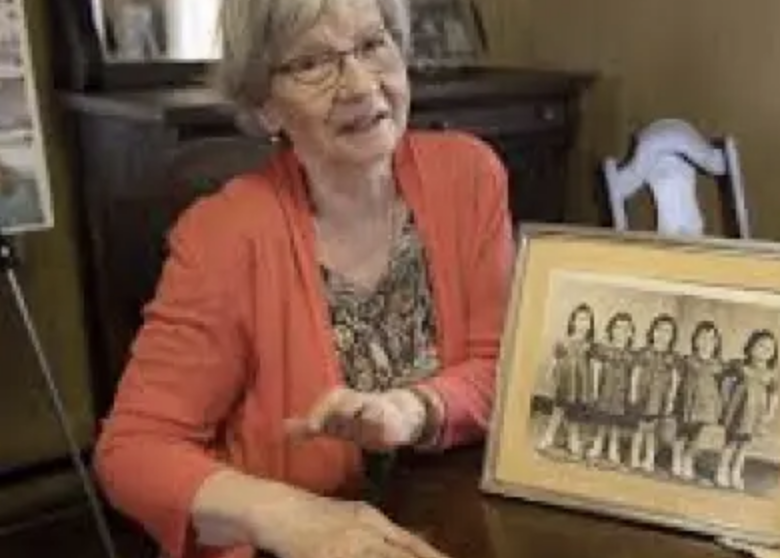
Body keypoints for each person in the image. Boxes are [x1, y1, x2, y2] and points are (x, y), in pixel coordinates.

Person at [92, 0, 514, 557]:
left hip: (455, 524)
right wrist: (285, 516)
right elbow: (132, 449)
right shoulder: (224, 235)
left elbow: (498, 365)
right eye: (312, 63)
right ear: (265, 105)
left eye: (372, 44)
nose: (360, 84)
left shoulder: (468, 175)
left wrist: (413, 409)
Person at [716, 329, 780, 491]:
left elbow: (774, 396)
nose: (765, 350)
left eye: (769, 348)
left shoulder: (770, 375)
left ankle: (736, 471)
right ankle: (722, 469)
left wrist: (770, 413)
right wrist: (725, 400)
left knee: (744, 444)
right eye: (761, 345)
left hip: (755, 414)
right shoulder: (739, 366)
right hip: (738, 411)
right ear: (750, 347)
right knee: (731, 442)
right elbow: (723, 380)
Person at [536, 303, 598, 458]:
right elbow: (555, 359)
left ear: (590, 325)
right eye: (580, 319)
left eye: (587, 320)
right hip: (565, 381)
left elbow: (593, 365)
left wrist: (593, 386)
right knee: (558, 409)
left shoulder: (590, 346)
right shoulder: (564, 341)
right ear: (573, 321)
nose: (583, 323)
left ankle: (573, 439)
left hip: (581, 383)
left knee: (575, 413)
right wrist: (550, 373)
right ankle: (548, 436)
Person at [671, 320, 724, 481]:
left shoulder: (718, 365)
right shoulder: (687, 360)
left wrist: (718, 407)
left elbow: (720, 387)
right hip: (686, 403)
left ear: (716, 343)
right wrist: (672, 397)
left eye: (711, 339)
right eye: (702, 337)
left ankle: (688, 459)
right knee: (681, 433)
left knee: (697, 436)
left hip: (706, 406)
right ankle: (677, 458)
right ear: (695, 340)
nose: (706, 342)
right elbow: (677, 379)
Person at [628, 314, 681, 473]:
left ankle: (649, 458)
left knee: (652, 430)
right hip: (643, 395)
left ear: (672, 336)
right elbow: (636, 373)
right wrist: (633, 391)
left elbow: (675, 380)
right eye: (659, 330)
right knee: (639, 428)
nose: (662, 334)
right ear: (652, 332)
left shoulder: (672, 357)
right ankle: (634, 456)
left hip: (659, 398)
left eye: (667, 331)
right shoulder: (644, 352)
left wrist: (671, 399)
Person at [585, 311, 636, 465]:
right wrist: (595, 390)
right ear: (611, 330)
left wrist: (631, 393)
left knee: (616, 422)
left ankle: (614, 446)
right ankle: (598, 443)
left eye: (625, 329)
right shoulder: (604, 350)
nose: (621, 332)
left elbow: (634, 376)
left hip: (621, 393)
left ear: (631, 333)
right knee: (602, 418)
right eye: (617, 327)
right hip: (605, 389)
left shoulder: (631, 355)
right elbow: (596, 368)